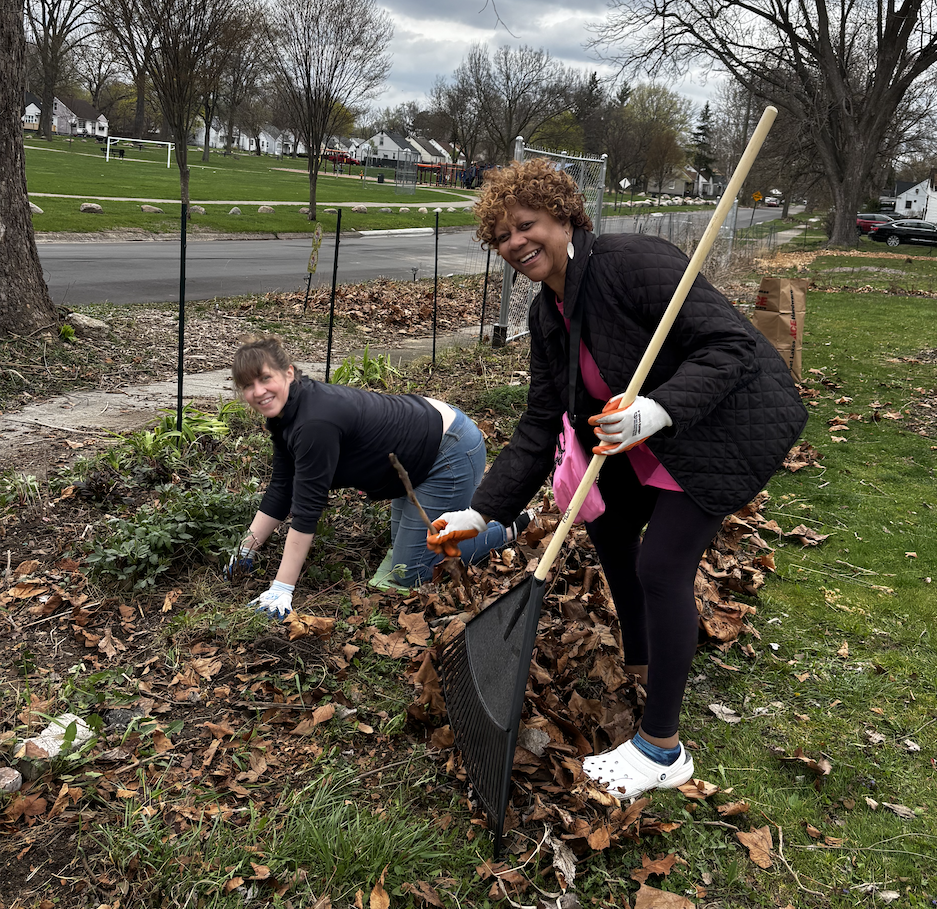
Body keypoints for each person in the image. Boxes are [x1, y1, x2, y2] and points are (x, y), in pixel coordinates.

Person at [431, 160, 807, 800]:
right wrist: (481, 512)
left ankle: (662, 748)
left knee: (662, 565)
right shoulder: (547, 316)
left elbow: (730, 346)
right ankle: (648, 664)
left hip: (717, 429)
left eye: (527, 226)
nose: (516, 244)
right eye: (501, 237)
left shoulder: (637, 263)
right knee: (607, 527)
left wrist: (655, 410)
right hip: (642, 440)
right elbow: (541, 421)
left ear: (565, 218)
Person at [228, 337, 530, 617]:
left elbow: (306, 509)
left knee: (410, 570)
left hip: (448, 450)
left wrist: (282, 589)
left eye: (265, 378)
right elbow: (283, 486)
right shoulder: (285, 416)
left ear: (288, 373)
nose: (258, 392)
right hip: (413, 454)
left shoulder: (312, 423)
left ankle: (503, 528)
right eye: (248, 385)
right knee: (403, 555)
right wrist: (246, 548)